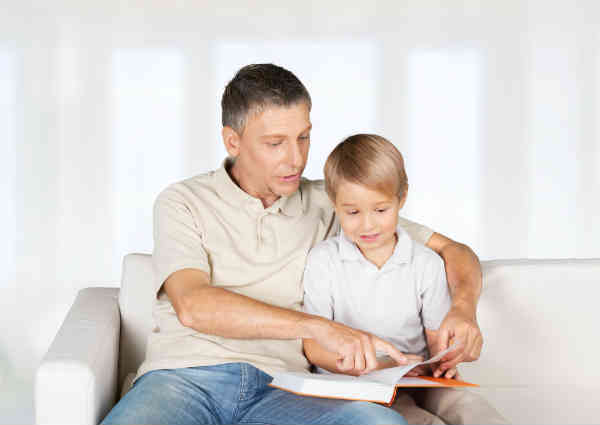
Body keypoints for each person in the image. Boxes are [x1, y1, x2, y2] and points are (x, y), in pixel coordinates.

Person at [102, 63, 484, 425]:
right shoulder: (183, 201)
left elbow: (453, 251)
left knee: (377, 421)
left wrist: (463, 311)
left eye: (303, 137)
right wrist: (320, 328)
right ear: (232, 141)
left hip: (285, 389)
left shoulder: (332, 204)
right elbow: (193, 305)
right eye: (275, 143)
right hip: (183, 379)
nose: (297, 158)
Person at [302, 134, 508, 424]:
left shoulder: (425, 263)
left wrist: (442, 364)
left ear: (402, 198)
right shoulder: (324, 261)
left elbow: (437, 342)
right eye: (352, 212)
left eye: (381, 210)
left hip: (412, 381)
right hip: (349, 388)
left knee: (471, 409)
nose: (368, 224)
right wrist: (373, 366)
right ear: (334, 204)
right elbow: (314, 347)